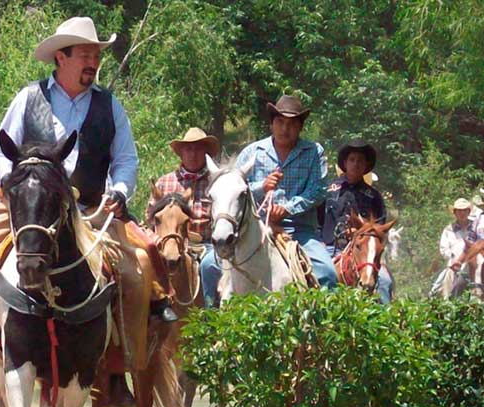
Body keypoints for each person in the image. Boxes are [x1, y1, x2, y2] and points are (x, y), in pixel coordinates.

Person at [0, 16, 176, 407]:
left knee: (135, 271)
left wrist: (120, 191)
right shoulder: (28, 98)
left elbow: (125, 161)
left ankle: (119, 369)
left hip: (89, 210)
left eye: (96, 54)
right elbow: (2, 153)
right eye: (85, 54)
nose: (93, 61)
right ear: (61, 57)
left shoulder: (109, 106)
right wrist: (13, 181)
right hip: (29, 207)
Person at [236, 94, 337, 288]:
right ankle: (214, 315)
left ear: (300, 126)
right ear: (271, 124)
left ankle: (324, 318)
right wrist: (261, 187)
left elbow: (318, 190)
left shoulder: (314, 152)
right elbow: (234, 189)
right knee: (211, 266)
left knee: (327, 273)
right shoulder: (252, 152)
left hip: (300, 230)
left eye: (291, 124)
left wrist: (288, 208)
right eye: (280, 122)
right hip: (255, 228)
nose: (285, 129)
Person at [147, 127, 223, 307]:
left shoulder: (216, 182)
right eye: (188, 149)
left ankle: (210, 314)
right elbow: (150, 219)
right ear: (181, 153)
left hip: (206, 245)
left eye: (198, 148)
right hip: (167, 242)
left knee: (209, 266)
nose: (193, 153)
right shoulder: (164, 182)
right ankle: (153, 312)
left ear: (206, 153)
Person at [321, 141, 392, 303]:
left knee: (385, 282)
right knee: (318, 274)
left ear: (366, 165)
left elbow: (380, 230)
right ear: (345, 163)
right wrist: (319, 242)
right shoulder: (327, 190)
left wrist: (361, 235)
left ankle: (386, 320)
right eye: (352, 159)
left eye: (360, 160)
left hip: (364, 252)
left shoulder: (374, 196)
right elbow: (316, 219)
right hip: (328, 247)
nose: (355, 164)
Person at [430, 198, 479, 296]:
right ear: (455, 213)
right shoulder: (448, 230)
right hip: (454, 266)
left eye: (464, 210)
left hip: (474, 266)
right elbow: (444, 249)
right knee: (437, 289)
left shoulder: (476, 227)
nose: (462, 213)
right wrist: (453, 259)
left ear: (468, 212)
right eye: (459, 211)